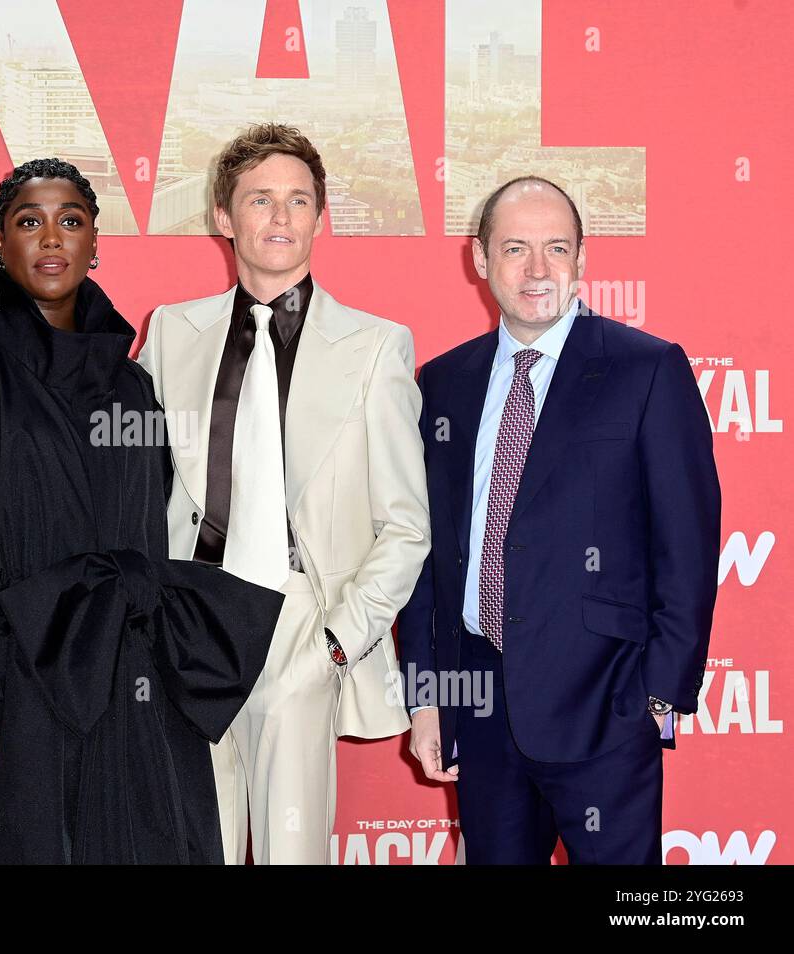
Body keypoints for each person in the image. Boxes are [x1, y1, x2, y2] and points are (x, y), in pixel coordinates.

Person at [0, 158, 282, 864]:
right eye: (28, 222)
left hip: (123, 692)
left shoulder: (133, 387)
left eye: (71, 221)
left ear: (96, 244)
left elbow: (149, 539)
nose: (52, 238)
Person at [397, 176, 721, 864]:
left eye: (556, 249)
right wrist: (427, 694)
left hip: (607, 703)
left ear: (583, 260)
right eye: (515, 249)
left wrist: (657, 697)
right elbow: (428, 551)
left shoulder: (647, 369)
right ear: (480, 261)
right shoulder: (443, 381)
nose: (537, 270)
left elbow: (687, 550)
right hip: (478, 702)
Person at [137, 124, 430, 864]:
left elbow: (406, 527)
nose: (280, 217)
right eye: (260, 200)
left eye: (298, 201)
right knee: (190, 845)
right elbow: (133, 490)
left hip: (302, 620)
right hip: (191, 617)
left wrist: (336, 641)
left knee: (291, 851)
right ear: (223, 217)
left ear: (319, 218)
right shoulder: (172, 333)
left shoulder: (375, 347)